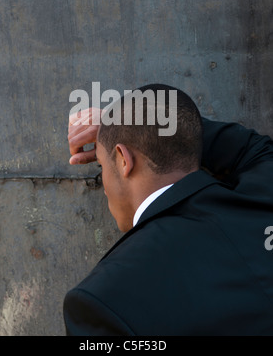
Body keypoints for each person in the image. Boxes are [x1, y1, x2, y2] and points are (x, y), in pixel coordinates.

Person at [63, 84, 273, 336]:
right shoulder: (262, 194)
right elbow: (254, 148)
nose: (103, 183)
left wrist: (123, 127)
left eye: (100, 165)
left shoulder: (102, 300)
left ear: (122, 160)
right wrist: (142, 129)